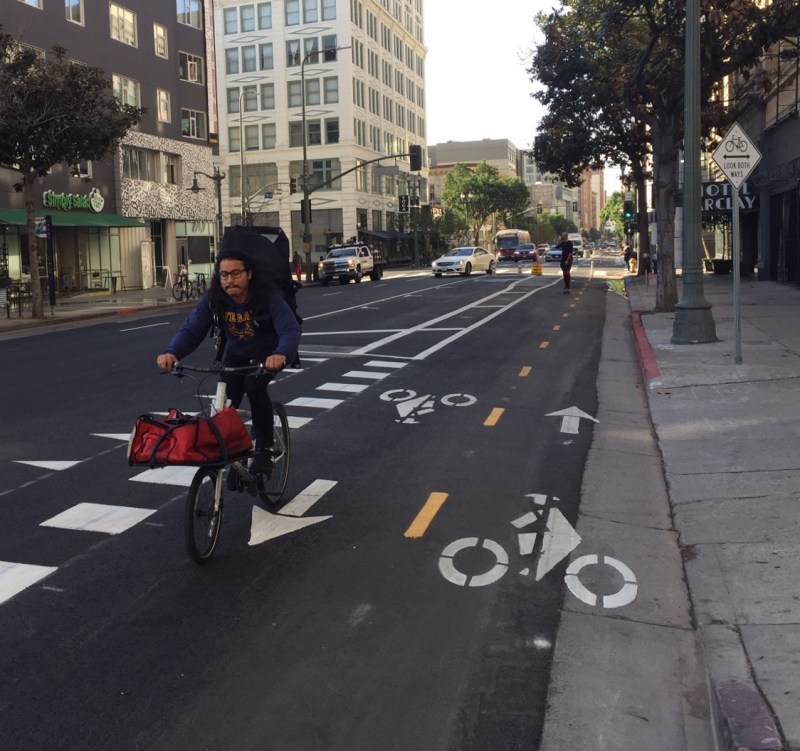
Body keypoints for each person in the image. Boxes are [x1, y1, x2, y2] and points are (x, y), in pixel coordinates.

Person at [156, 229, 301, 473]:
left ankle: (264, 449)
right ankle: (235, 450)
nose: (229, 280)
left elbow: (289, 329)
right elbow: (192, 329)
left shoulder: (267, 297)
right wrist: (173, 353)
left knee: (254, 386)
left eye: (235, 273)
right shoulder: (215, 299)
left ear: (249, 274)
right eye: (224, 274)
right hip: (236, 354)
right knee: (225, 401)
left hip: (268, 353)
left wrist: (281, 353)